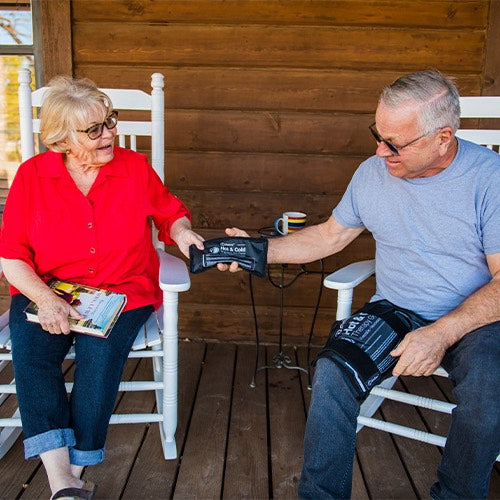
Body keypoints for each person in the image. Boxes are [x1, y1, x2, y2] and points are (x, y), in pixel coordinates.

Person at [221, 70, 500, 499]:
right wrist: (255, 252)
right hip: (396, 309)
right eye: (378, 133)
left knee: (489, 389)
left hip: (475, 318)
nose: (379, 149)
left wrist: (441, 333)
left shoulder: (490, 179)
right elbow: (330, 235)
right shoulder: (373, 173)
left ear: (443, 137)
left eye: (395, 142)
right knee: (333, 372)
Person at [0, 76, 204, 499]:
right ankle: (63, 482)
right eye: (94, 130)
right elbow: (12, 257)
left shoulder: (134, 168)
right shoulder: (32, 177)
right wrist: (45, 300)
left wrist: (184, 236)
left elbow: (170, 215)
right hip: (47, 288)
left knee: (99, 356)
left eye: (110, 121)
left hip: (123, 290)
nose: (109, 133)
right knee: (33, 354)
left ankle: (76, 469)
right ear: (61, 140)